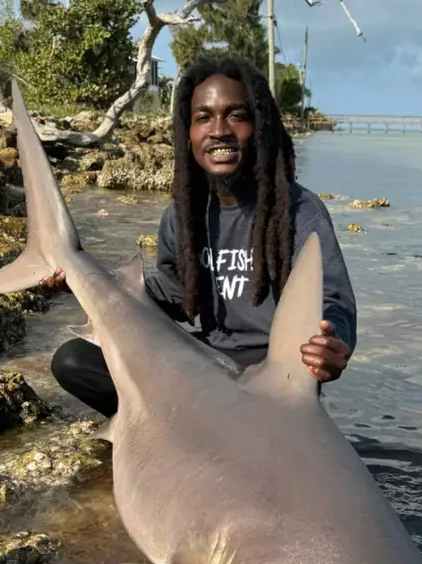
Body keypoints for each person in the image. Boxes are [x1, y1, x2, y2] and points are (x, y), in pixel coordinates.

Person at [46, 56, 358, 416]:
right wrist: (87, 282)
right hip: (207, 362)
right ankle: (173, 433)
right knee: (75, 361)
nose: (219, 130)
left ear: (260, 126)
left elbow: (333, 301)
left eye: (236, 115)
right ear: (188, 133)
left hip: (274, 374)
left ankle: (196, 426)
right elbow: (176, 294)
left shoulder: (300, 212)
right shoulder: (184, 215)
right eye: (203, 117)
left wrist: (332, 341)